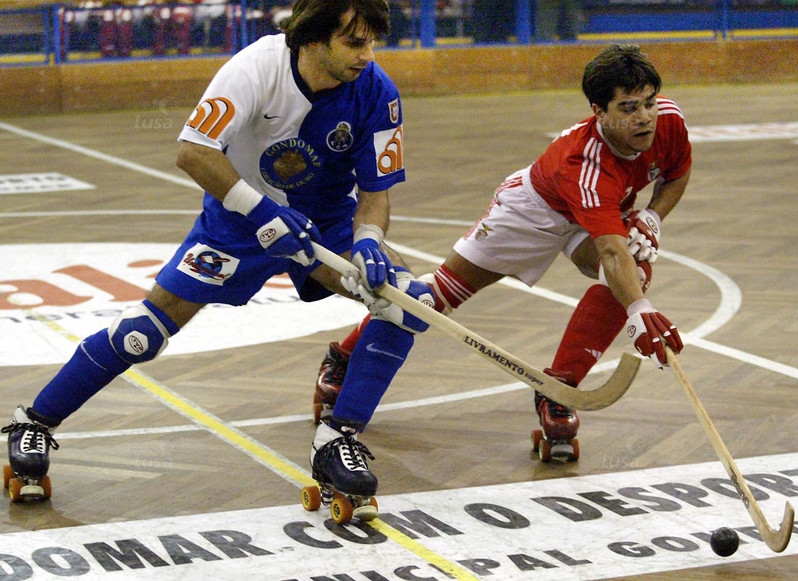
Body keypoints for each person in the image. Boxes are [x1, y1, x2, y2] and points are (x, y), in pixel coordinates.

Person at [3, 0, 433, 515]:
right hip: (239, 220)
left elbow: (376, 193)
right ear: (313, 38)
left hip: (325, 226)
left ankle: (336, 439)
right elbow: (194, 151)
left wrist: (368, 238)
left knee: (405, 303)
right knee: (144, 332)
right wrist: (262, 213)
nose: (368, 55)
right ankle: (34, 422)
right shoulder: (255, 68)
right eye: (355, 42)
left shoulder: (377, 91)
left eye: (372, 42)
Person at [314, 44, 687, 461]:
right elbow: (612, 252)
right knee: (435, 299)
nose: (644, 117)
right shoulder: (586, 164)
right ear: (598, 111)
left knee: (637, 269)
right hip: (532, 213)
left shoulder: (668, 121)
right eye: (628, 108)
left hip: (595, 212)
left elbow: (677, 173)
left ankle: (558, 390)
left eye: (649, 103)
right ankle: (344, 357)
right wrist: (639, 309)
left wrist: (652, 216)